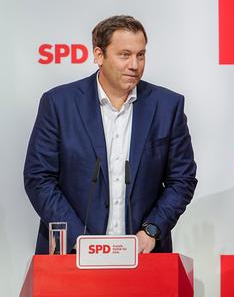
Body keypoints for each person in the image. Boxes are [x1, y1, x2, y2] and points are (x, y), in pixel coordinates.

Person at [24, 15, 197, 254]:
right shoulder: (59, 104)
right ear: (98, 56)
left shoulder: (167, 106)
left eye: (141, 55)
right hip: (71, 256)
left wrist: (151, 231)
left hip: (143, 258)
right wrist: (79, 240)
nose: (135, 65)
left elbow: (182, 180)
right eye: (124, 55)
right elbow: (39, 178)